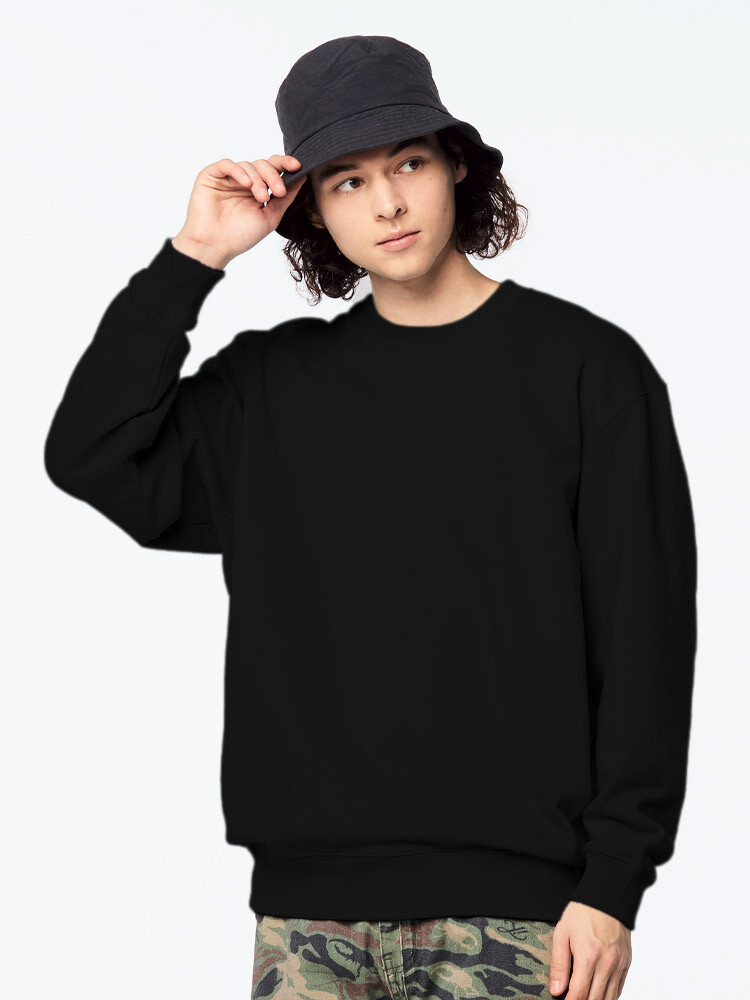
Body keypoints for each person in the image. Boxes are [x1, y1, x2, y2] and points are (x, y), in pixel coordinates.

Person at [43, 34, 697, 1000]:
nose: (387, 203)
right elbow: (92, 452)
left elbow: (646, 639)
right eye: (346, 180)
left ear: (455, 166)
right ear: (310, 205)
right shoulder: (269, 390)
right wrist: (195, 257)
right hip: (308, 925)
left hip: (517, 918)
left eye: (408, 164)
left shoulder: (587, 372)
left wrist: (614, 884)